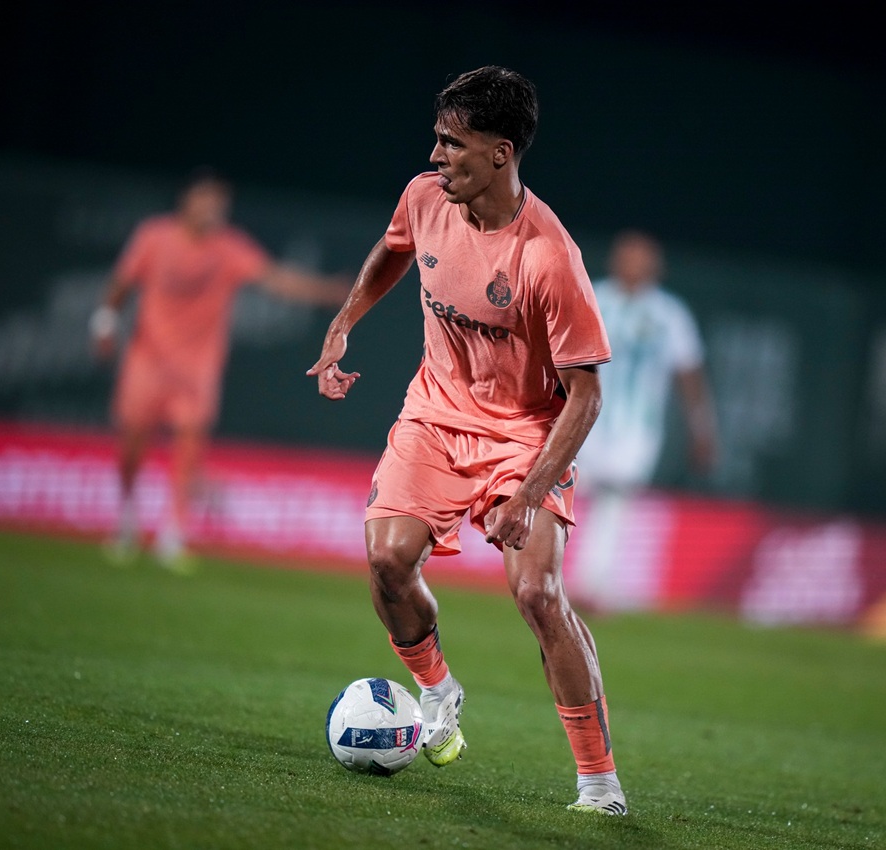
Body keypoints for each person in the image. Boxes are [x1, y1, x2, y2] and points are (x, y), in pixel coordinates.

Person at [306, 66, 626, 815]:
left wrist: (530, 493)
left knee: (537, 593)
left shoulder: (548, 258)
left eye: (452, 143)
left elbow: (586, 396)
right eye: (438, 139)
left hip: (525, 435)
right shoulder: (426, 197)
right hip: (435, 414)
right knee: (387, 558)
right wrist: (344, 322)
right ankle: (437, 691)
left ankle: (599, 783)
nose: (436, 154)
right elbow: (394, 248)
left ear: (500, 153)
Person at [91, 168, 350, 571]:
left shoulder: (228, 247)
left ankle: (173, 534)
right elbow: (122, 283)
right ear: (186, 201)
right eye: (206, 200)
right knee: (132, 443)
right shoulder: (154, 237)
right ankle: (126, 519)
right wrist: (105, 323)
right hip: (148, 360)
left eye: (220, 203)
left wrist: (326, 292)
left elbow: (275, 279)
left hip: (197, 367)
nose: (213, 209)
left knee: (189, 447)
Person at [571, 229, 718, 613]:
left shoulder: (670, 314)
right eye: (627, 256)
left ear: (656, 266)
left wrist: (701, 427)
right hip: (583, 417)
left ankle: (593, 583)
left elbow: (689, 374)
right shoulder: (592, 297)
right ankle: (548, 574)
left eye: (641, 258)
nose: (633, 265)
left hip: (637, 430)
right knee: (568, 491)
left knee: (614, 499)